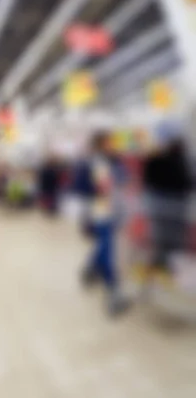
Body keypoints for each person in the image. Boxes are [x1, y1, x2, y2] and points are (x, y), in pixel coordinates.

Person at [80, 132, 130, 317]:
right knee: (107, 247)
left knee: (104, 245)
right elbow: (103, 187)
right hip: (102, 209)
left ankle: (90, 269)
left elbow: (122, 179)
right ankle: (113, 290)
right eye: (109, 142)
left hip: (110, 208)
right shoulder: (97, 162)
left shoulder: (111, 160)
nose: (113, 144)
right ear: (101, 144)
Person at [143, 128, 191, 278]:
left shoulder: (156, 160)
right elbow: (187, 183)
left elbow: (148, 179)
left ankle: (160, 262)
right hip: (177, 205)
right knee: (174, 238)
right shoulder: (182, 162)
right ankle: (169, 265)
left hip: (159, 204)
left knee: (160, 235)